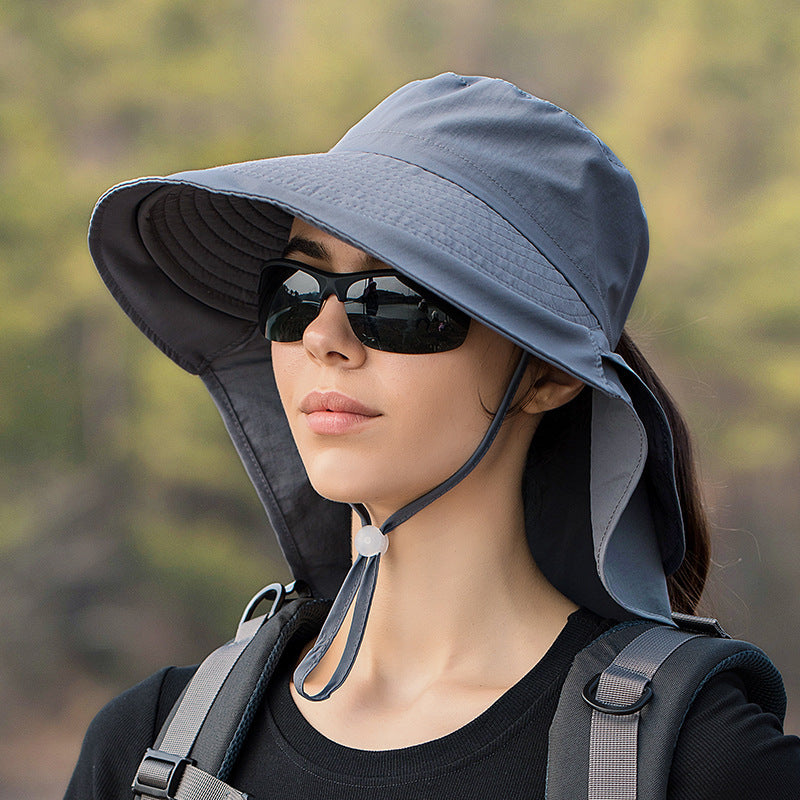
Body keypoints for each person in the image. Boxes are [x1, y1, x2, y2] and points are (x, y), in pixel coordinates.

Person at [65, 73, 800, 799]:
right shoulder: (153, 748)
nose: (325, 335)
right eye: (295, 290)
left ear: (548, 375)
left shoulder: (698, 764)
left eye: (393, 301)